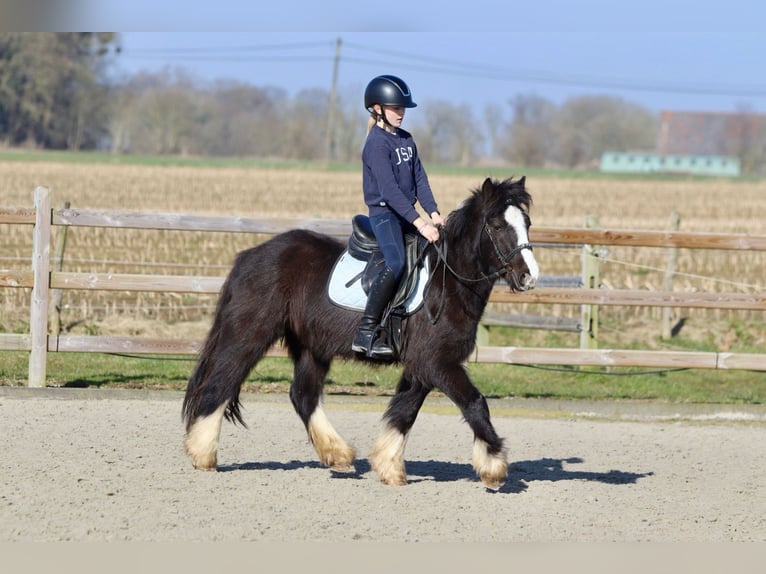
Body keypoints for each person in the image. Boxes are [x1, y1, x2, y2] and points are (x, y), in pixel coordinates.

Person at [352, 74, 446, 358]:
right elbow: (390, 191)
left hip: (406, 214)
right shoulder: (376, 144)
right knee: (395, 262)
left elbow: (420, 179)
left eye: (403, 108)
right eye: (395, 108)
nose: (401, 113)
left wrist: (434, 212)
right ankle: (366, 331)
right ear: (377, 108)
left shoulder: (406, 139)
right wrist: (420, 223)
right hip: (385, 215)